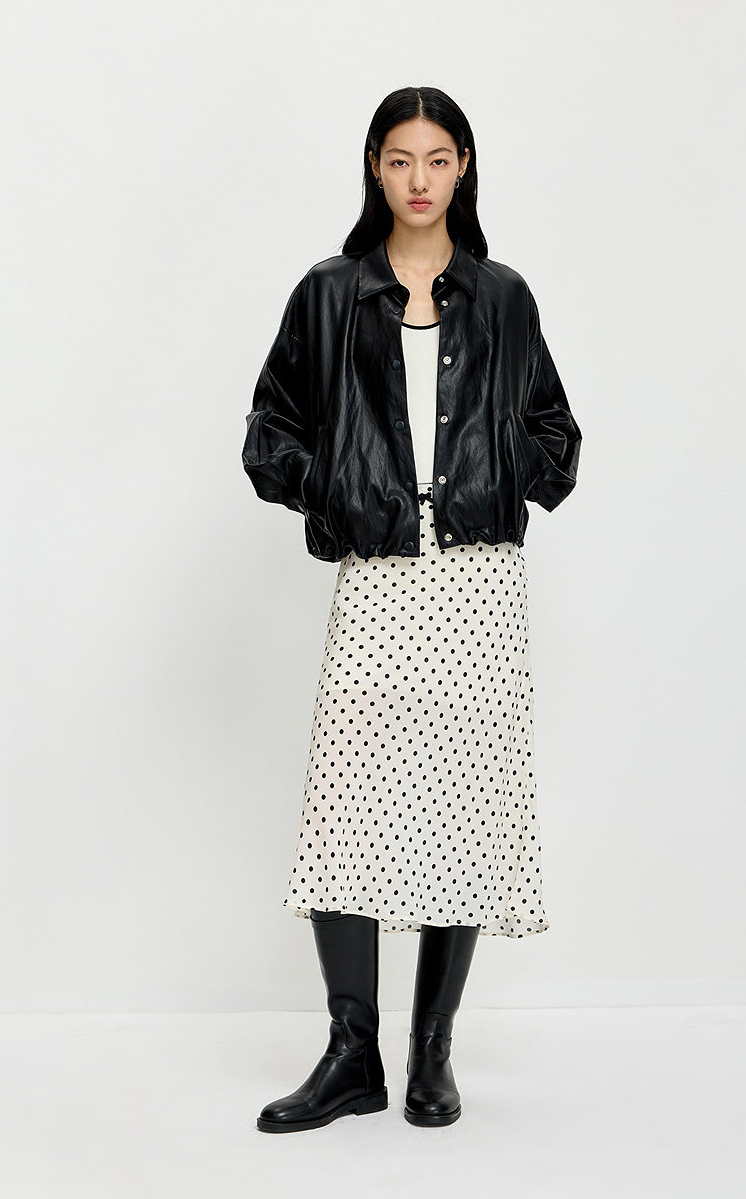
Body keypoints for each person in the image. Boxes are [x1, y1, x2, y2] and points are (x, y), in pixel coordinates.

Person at [243, 86, 581, 1133]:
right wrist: (339, 488)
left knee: (462, 803)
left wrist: (497, 475)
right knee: (346, 797)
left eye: (438, 159)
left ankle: (432, 1054)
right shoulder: (330, 293)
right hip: (380, 573)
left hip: (478, 580)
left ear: (464, 166)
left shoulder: (504, 297)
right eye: (400, 160)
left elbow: (557, 435)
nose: (419, 180)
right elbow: (270, 434)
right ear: (374, 169)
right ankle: (353, 1055)